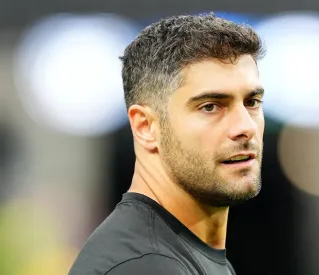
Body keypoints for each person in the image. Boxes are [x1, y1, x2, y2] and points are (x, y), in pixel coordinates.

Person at [69, 13, 265, 275]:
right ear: (145, 127)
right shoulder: (144, 265)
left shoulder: (175, 254)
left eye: (251, 102)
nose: (246, 127)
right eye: (210, 107)